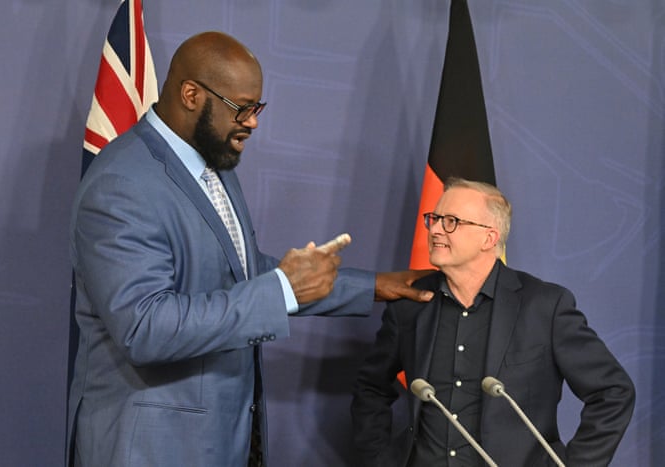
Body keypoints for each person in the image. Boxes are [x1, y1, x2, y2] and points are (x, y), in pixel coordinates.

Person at [66, 31, 433, 467]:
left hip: (225, 440)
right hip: (153, 448)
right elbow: (146, 327)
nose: (253, 122)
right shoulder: (121, 184)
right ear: (191, 95)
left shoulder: (213, 161)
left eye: (258, 108)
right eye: (243, 108)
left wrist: (372, 286)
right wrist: (281, 289)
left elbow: (239, 272)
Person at [350, 177, 635, 467]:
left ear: (489, 237)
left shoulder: (544, 307)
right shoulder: (411, 304)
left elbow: (613, 391)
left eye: (451, 221)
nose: (435, 229)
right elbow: (371, 388)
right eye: (434, 218)